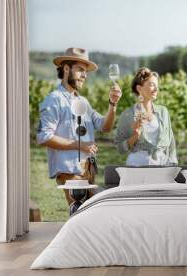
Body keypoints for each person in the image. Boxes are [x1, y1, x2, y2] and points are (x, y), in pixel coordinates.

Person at [36, 47, 122, 205]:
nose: (84, 75)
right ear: (66, 68)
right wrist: (81, 145)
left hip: (88, 170)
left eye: (86, 72)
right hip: (69, 172)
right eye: (80, 70)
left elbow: (105, 126)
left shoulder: (83, 102)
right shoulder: (54, 99)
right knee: (81, 212)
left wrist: (113, 104)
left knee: (90, 215)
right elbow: (44, 137)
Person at [114, 67, 177, 166]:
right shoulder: (127, 115)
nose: (156, 89)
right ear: (139, 88)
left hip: (161, 165)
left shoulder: (163, 112)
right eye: (152, 85)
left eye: (157, 86)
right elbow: (120, 148)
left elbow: (171, 143)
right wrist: (135, 136)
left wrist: (173, 164)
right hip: (137, 166)